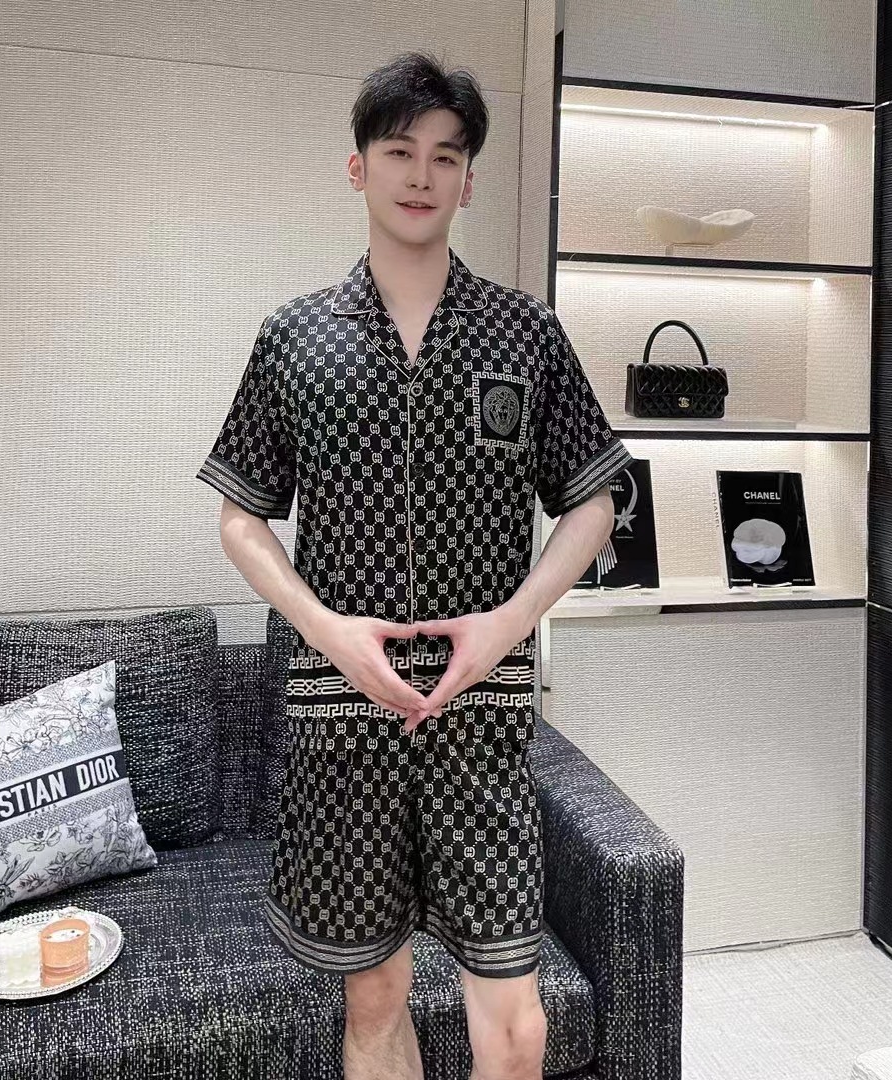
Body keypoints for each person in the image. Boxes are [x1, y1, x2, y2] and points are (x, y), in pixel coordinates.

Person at [196, 49, 633, 1080]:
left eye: (446, 155)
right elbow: (242, 518)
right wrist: (329, 631)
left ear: (469, 179)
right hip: (342, 713)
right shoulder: (295, 337)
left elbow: (595, 499)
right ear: (360, 168)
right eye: (399, 151)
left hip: (482, 713)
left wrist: (509, 623)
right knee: (375, 997)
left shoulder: (524, 333)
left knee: (516, 1020)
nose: (422, 174)